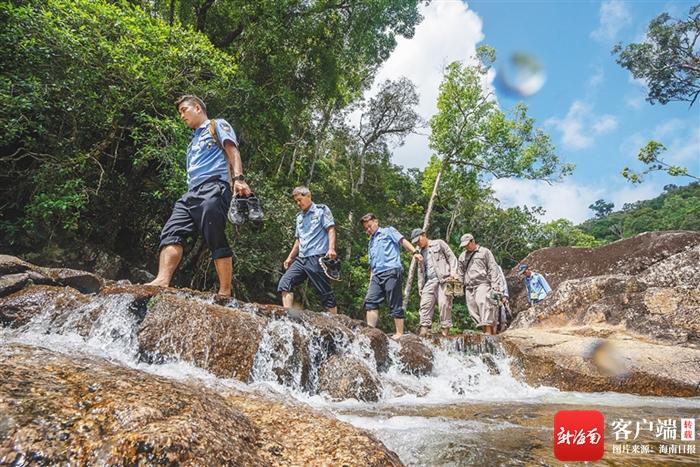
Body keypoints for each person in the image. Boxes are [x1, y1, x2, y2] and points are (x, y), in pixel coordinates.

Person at [147, 95, 253, 297]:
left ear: (197, 108)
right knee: (171, 231)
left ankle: (225, 291)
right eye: (180, 112)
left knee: (214, 235)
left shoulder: (217, 125)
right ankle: (162, 280)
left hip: (214, 187)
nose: (181, 116)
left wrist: (238, 178)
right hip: (191, 193)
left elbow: (233, 151)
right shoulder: (192, 142)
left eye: (184, 110)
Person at [361, 213, 422, 339]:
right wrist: (371, 279)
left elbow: (402, 241)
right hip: (377, 274)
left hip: (391, 270)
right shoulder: (370, 242)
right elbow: (372, 263)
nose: (368, 230)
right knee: (370, 301)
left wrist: (414, 252)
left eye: (370, 226)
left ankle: (399, 333)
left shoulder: (388, 231)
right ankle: (370, 331)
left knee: (394, 302)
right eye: (366, 228)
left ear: (376, 222)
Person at [277, 186, 338, 313]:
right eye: (296, 201)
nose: (298, 203)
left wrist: (331, 249)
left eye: (300, 200)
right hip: (301, 258)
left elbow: (330, 229)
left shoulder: (321, 210)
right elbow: (298, 240)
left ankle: (336, 320)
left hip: (317, 257)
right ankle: (287, 315)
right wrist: (290, 257)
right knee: (285, 282)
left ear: (308, 196)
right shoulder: (299, 217)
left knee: (324, 291)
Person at [411, 228, 459, 338]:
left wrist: (453, 272)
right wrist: (420, 287)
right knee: (425, 304)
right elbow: (420, 271)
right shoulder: (420, 252)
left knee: (444, 305)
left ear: (424, 235)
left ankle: (444, 334)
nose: (417, 243)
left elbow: (451, 257)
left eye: (418, 240)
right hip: (430, 281)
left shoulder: (439, 243)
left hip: (445, 279)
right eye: (415, 242)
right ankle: (424, 331)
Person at [457, 233, 502, 335]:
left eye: (467, 244)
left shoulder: (484, 252)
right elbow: (460, 272)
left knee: (483, 303)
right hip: (469, 286)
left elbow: (492, 268)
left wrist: (495, 284)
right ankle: (483, 330)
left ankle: (489, 331)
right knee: (472, 310)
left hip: (482, 283)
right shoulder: (462, 256)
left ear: (472, 241)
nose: (466, 247)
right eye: (464, 246)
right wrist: (458, 286)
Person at [495, 265, 510, 333]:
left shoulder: (497, 267)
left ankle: (503, 328)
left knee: (502, 310)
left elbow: (503, 281)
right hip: (490, 293)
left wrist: (505, 295)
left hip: (499, 292)